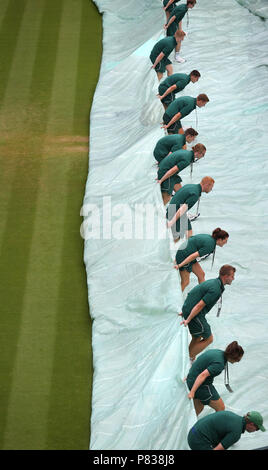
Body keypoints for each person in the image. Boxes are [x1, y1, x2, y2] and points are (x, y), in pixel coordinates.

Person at [179, 265, 236, 361]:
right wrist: (188, 319)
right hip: (195, 313)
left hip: (189, 308)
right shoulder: (216, 289)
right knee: (209, 339)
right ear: (225, 276)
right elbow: (199, 305)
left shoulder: (214, 282)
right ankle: (187, 359)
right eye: (232, 276)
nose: (233, 279)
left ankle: (189, 358)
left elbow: (193, 293)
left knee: (197, 337)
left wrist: (185, 309)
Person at [186, 341, 244, 416]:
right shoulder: (219, 364)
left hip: (192, 379)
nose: (238, 362)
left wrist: (189, 376)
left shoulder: (217, 352)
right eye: (238, 360)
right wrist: (192, 392)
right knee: (221, 408)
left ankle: (187, 425)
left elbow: (199, 362)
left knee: (199, 408)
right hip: (200, 385)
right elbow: (202, 375)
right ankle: (214, 426)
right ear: (233, 357)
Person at [166, 176, 215, 241]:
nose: (211, 190)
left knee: (189, 232)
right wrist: (171, 222)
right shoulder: (195, 194)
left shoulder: (191, 186)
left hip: (172, 209)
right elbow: (183, 209)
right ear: (207, 185)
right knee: (180, 237)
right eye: (211, 187)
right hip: (175, 213)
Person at [187, 410, 266, 450]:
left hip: (193, 431)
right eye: (257, 428)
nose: (256, 431)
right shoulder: (236, 433)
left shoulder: (234, 417)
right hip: (197, 441)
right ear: (251, 424)